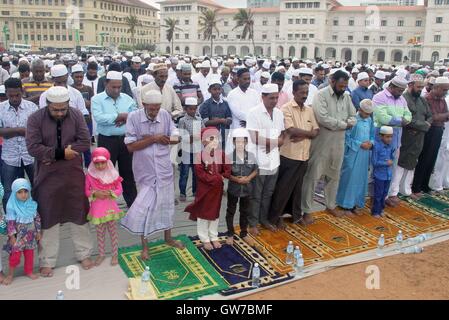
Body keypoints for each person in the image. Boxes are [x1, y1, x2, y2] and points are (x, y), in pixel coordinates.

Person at [26, 86, 94, 277]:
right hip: (47, 175)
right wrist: (61, 153)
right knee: (48, 214)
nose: (59, 113)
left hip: (72, 174)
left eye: (63, 109)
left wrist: (52, 154)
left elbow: (84, 142)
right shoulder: (35, 119)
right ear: (47, 105)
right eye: (55, 109)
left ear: (68, 104)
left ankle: (84, 254)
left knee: (79, 212)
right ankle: (47, 260)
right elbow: (33, 147)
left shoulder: (76, 115)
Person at [121, 90, 185, 261]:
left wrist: (170, 138)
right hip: (145, 171)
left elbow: (176, 136)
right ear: (143, 105)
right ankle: (145, 247)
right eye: (151, 109)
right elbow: (130, 147)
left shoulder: (164, 114)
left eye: (157, 109)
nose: (155, 112)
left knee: (166, 204)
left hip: (164, 169)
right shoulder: (134, 117)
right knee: (145, 207)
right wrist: (153, 138)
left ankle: (168, 238)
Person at [301, 70, 357, 219]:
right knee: (312, 177)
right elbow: (323, 119)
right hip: (321, 143)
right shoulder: (321, 95)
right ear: (332, 81)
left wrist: (346, 123)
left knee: (334, 176)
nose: (343, 88)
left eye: (345, 86)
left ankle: (330, 205)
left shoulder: (346, 96)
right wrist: (344, 124)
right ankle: (306, 210)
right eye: (340, 85)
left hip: (338, 143)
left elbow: (353, 116)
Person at [270, 80, 319, 228]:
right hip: (289, 155)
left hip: (304, 155)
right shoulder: (286, 108)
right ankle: (275, 217)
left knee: (298, 188)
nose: (304, 95)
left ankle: (295, 215)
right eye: (301, 92)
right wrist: (309, 134)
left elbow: (316, 131)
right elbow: (291, 130)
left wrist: (305, 135)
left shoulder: (309, 110)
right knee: (283, 188)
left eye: (306, 93)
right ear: (294, 92)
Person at [91, 70, 138, 209]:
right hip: (107, 141)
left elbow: (135, 115)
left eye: (119, 87)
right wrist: (120, 116)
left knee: (128, 173)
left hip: (125, 141)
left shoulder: (127, 98)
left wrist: (125, 118)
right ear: (106, 83)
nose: (117, 90)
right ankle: (105, 206)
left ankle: (133, 205)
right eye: (114, 87)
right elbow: (100, 118)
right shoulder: (97, 99)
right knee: (105, 174)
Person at [386, 74, 432, 206]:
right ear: (410, 85)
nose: (420, 89)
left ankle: (406, 190)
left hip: (419, 137)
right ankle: (393, 192)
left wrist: (426, 124)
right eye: (418, 87)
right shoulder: (403, 98)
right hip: (406, 136)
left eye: (422, 87)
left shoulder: (422, 100)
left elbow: (429, 115)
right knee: (400, 163)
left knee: (412, 163)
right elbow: (407, 119)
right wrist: (424, 125)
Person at [246, 83, 285, 234]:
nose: (274, 101)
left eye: (276, 97)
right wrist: (275, 143)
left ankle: (264, 219)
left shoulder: (279, 113)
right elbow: (255, 138)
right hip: (259, 159)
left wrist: (275, 143)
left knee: (268, 193)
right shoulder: (254, 113)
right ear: (263, 97)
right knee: (256, 194)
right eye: (271, 98)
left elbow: (283, 134)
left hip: (274, 159)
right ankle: (253, 223)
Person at [185, 127, 231, 250]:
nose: (215, 141)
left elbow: (227, 169)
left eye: (216, 138)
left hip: (217, 190)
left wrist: (222, 176)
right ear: (204, 141)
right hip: (205, 190)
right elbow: (200, 175)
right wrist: (216, 178)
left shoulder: (221, 154)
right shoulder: (199, 156)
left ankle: (214, 236)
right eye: (211, 138)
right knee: (203, 214)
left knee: (215, 213)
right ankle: (204, 238)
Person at [0, 78, 38, 211]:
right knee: (9, 191)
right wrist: (19, 130)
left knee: (37, 187)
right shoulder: (1, 108)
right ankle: (11, 222)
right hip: (10, 156)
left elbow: (37, 131)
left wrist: (9, 132)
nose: (15, 98)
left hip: (30, 154)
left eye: (17, 95)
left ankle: (38, 217)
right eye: (11, 96)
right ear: (6, 93)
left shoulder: (31, 107)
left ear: (22, 91)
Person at [85, 147, 125, 267]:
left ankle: (114, 254)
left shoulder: (112, 174)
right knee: (99, 233)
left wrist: (111, 193)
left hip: (110, 208)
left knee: (113, 232)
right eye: (97, 163)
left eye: (103, 162)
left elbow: (119, 189)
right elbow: (86, 190)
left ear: (107, 161)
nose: (100, 166)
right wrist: (94, 193)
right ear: (93, 163)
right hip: (97, 209)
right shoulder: (90, 175)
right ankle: (101, 254)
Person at [411, 76, 449, 197]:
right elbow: (433, 117)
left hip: (438, 131)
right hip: (428, 131)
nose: (445, 92)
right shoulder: (426, 99)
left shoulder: (442, 100)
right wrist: (442, 116)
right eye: (444, 89)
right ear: (436, 88)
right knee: (424, 158)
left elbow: (445, 116)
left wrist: (442, 116)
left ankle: (425, 185)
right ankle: (416, 186)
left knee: (432, 159)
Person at [336, 99, 375, 215]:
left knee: (361, 178)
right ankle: (345, 204)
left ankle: (355, 203)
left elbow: (372, 135)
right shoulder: (353, 120)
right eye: (365, 113)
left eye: (369, 114)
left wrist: (371, 143)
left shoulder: (369, 120)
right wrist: (359, 144)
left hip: (364, 154)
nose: (367, 115)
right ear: (359, 110)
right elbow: (346, 138)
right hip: (353, 153)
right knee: (349, 178)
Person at [2, 179, 41, 285]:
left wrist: (38, 231)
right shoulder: (12, 206)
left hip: (30, 235)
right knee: (15, 256)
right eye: (19, 192)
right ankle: (10, 274)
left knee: (30, 254)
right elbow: (10, 223)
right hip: (18, 237)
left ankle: (29, 271)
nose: (23, 195)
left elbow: (36, 218)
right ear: (14, 193)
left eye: (26, 191)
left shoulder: (32, 204)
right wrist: (12, 236)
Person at [225, 128, 257, 246]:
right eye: (237, 142)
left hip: (247, 190)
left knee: (245, 211)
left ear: (246, 142)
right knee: (231, 211)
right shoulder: (228, 157)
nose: (240, 144)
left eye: (242, 142)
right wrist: (236, 179)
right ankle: (230, 233)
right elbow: (226, 173)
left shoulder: (251, 155)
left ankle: (244, 233)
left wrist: (249, 178)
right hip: (234, 189)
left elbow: (256, 169)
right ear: (233, 142)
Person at [372, 76, 412, 152]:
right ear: (391, 87)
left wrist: (403, 120)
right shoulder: (379, 97)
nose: (401, 93)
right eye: (399, 91)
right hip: (382, 140)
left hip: (396, 140)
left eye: (403, 91)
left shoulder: (402, 99)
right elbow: (383, 118)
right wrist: (401, 121)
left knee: (393, 162)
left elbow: (408, 115)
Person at [178, 97, 204, 202]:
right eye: (191, 109)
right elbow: (181, 136)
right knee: (184, 173)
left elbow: (204, 132)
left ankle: (195, 191)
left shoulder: (199, 119)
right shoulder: (182, 120)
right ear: (186, 109)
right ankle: (182, 193)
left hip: (197, 149)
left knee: (196, 172)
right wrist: (192, 138)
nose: (193, 111)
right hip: (186, 150)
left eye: (195, 109)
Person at [71, 64, 94, 167]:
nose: (79, 79)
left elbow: (93, 103)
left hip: (87, 121)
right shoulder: (70, 90)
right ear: (72, 76)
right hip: (73, 122)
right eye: (77, 77)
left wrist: (86, 103)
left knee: (86, 145)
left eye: (81, 76)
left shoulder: (88, 89)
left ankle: (89, 168)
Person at [199, 78, 233, 148]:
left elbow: (229, 120)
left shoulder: (225, 103)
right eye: (214, 89)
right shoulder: (206, 104)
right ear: (209, 90)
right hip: (210, 136)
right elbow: (205, 122)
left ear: (221, 90)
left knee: (222, 154)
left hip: (224, 135)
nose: (217, 91)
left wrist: (217, 120)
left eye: (219, 89)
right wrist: (221, 120)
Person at [372, 126, 395, 218]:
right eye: (387, 136)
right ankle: (375, 212)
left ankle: (381, 209)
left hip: (388, 175)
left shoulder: (391, 146)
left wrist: (392, 159)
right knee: (378, 194)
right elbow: (374, 162)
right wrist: (386, 163)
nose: (389, 139)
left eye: (391, 136)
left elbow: (391, 158)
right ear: (381, 136)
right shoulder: (377, 147)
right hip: (379, 175)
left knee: (385, 194)